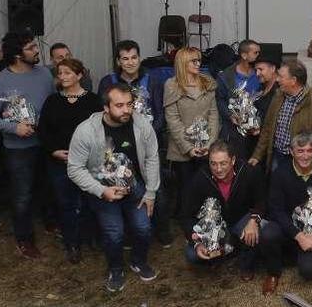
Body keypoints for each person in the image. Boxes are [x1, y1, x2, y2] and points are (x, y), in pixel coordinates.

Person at [67, 83, 160, 292]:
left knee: (144, 228)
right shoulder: (86, 131)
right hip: (103, 191)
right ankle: (115, 269)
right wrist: (102, 191)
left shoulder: (141, 123)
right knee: (114, 233)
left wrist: (151, 192)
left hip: (135, 187)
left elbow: (153, 157)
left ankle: (138, 261)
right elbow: (74, 169)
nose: (126, 110)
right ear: (106, 108)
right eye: (119, 105)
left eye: (129, 104)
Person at [0, 32, 54, 258]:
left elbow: (53, 103)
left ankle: (51, 222)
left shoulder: (44, 73)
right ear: (16, 54)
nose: (36, 51)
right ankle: (24, 239)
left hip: (47, 143)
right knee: (22, 194)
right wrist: (14, 128)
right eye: (31, 47)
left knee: (48, 186)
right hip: (18, 149)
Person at [97, 39, 170, 245]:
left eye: (134, 57)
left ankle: (161, 229)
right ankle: (131, 232)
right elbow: (102, 111)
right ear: (118, 61)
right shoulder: (108, 81)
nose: (130, 62)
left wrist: (148, 134)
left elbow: (160, 112)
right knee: (123, 184)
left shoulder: (152, 79)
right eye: (125, 58)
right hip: (118, 144)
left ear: (140, 58)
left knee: (156, 186)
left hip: (149, 141)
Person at [37, 58, 102, 263]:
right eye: (60, 73)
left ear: (79, 75)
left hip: (87, 163)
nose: (63, 77)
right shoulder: (52, 101)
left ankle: (90, 237)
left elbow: (101, 130)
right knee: (66, 203)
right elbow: (43, 131)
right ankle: (72, 243)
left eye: (67, 73)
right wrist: (53, 151)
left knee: (89, 201)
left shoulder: (93, 100)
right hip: (59, 162)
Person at [259, 133, 312, 295]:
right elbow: (276, 210)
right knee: (268, 233)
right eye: (300, 151)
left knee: (309, 272)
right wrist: (299, 236)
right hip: (288, 229)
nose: (305, 155)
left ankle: (299, 256)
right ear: (291, 152)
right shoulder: (280, 173)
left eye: (309, 150)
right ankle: (273, 273)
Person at [181, 141, 267, 281]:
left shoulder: (248, 171)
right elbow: (186, 216)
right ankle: (224, 251)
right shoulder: (200, 178)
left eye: (223, 163)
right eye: (213, 163)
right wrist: (197, 242)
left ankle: (246, 264)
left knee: (260, 231)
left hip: (241, 220)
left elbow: (261, 199)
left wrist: (254, 219)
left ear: (232, 160)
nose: (218, 169)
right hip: (214, 227)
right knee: (192, 254)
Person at [249, 59, 312, 173]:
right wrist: (257, 156)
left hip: (302, 162)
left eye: (281, 77)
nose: (277, 79)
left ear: (293, 80)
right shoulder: (278, 95)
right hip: (277, 157)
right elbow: (268, 128)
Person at [164, 47, 220, 213]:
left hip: (206, 147)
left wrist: (209, 144)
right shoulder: (172, 85)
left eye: (199, 60)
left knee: (206, 186)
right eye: (193, 61)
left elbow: (214, 115)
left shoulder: (207, 82)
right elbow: (172, 119)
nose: (198, 63)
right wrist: (189, 148)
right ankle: (187, 222)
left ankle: (206, 218)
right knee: (186, 189)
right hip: (182, 150)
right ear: (182, 63)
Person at [215, 39, 261, 160]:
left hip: (257, 132)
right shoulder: (226, 76)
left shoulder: (259, 73)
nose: (259, 56)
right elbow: (219, 99)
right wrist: (230, 115)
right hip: (235, 132)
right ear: (244, 55)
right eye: (255, 53)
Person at [250, 51, 281, 157]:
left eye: (261, 69)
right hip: (258, 144)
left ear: (273, 68)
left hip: (271, 148)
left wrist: (261, 128)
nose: (257, 73)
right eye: (256, 70)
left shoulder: (280, 90)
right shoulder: (262, 87)